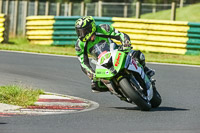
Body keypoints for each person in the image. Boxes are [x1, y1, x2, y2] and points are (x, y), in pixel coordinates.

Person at [75, 16, 155, 92]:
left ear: (91, 27)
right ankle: (117, 90)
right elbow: (83, 62)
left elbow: (120, 35)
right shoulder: (80, 44)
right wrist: (91, 73)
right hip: (102, 63)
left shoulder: (103, 28)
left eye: (83, 31)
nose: (81, 35)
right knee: (95, 86)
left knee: (138, 55)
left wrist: (125, 43)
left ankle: (145, 70)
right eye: (79, 32)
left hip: (116, 52)